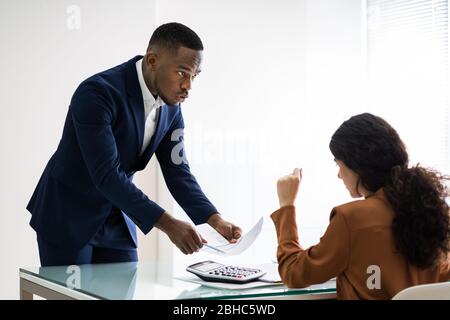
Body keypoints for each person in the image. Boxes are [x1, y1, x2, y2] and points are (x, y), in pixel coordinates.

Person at [27, 22, 241, 266]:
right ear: (152, 61)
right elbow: (106, 175)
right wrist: (169, 225)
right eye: (182, 73)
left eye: (195, 76)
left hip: (117, 216)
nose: (188, 86)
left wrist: (213, 219)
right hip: (68, 216)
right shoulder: (96, 94)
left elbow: (178, 171)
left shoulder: (172, 108)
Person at [271, 113, 450, 299]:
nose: (339, 175)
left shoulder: (351, 219)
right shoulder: (434, 210)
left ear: (357, 166)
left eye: (338, 165)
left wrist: (287, 206)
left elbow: (294, 273)